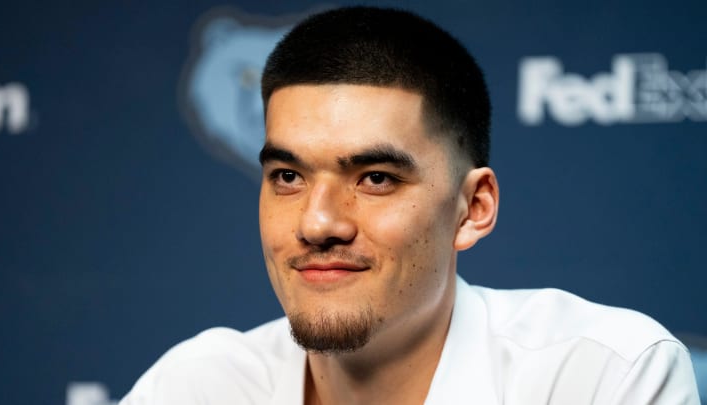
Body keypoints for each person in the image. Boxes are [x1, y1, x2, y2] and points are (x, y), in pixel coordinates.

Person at [120, 6, 699, 404]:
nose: (318, 222)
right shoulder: (198, 386)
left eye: (374, 178)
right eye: (289, 175)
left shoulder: (601, 377)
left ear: (473, 208)